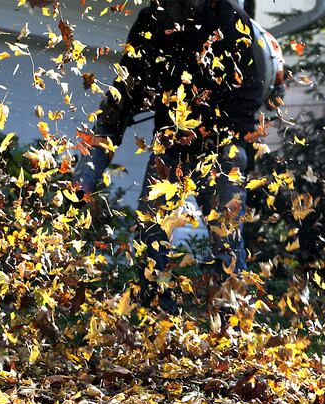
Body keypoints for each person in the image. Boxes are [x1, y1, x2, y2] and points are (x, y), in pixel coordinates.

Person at [72, 0, 265, 314]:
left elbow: (250, 93)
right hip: (170, 145)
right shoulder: (151, 20)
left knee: (226, 236)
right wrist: (86, 175)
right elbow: (125, 92)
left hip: (220, 149)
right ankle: (155, 307)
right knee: (151, 226)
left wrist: (234, 149)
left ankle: (237, 317)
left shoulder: (230, 21)